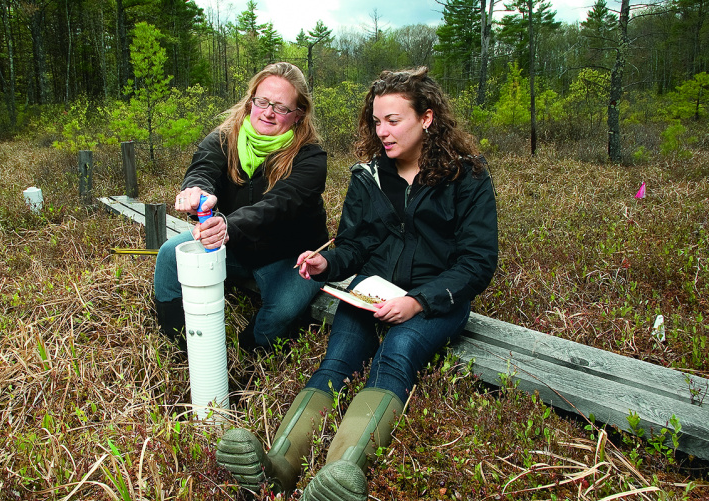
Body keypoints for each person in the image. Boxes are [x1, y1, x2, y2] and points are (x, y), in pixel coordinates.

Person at [215, 67, 498, 500]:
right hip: (370, 289)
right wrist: (325, 262)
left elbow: (478, 262)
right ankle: (278, 468)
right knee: (337, 362)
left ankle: (340, 476)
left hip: (438, 297)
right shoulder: (367, 175)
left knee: (395, 356)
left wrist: (418, 302)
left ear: (426, 118)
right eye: (376, 120)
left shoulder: (467, 176)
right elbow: (355, 243)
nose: (382, 131)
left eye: (394, 120)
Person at [153, 62, 329, 352]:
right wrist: (199, 191)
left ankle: (245, 356)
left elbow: (279, 205)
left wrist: (228, 226)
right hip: (237, 246)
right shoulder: (225, 136)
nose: (269, 112)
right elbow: (204, 169)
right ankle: (179, 347)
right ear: (251, 102)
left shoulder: (311, 157)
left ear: (299, 115)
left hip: (289, 254)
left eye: (282, 107)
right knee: (169, 254)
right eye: (262, 101)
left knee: (282, 312)